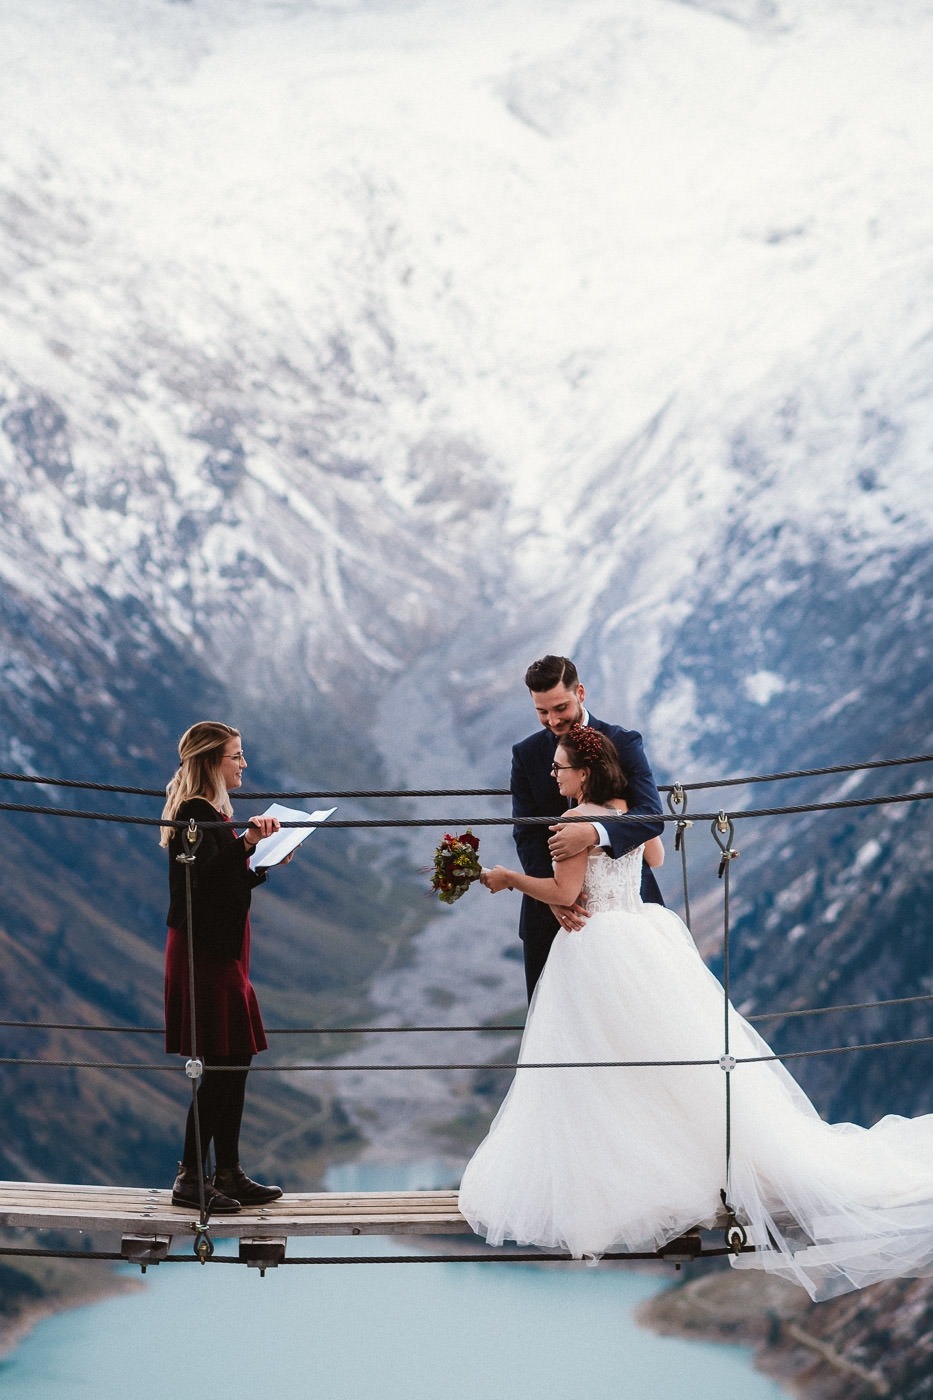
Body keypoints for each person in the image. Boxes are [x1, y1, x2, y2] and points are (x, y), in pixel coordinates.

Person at [459, 724, 933, 1301]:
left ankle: (635, 1177)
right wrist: (609, 830)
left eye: (560, 767)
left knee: (606, 1071)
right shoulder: (621, 809)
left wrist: (507, 879)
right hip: (643, 933)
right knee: (666, 1065)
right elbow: (653, 849)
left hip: (598, 948)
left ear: (581, 773)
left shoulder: (569, 826)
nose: (553, 775)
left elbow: (564, 895)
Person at [161, 721, 288, 1214]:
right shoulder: (195, 812)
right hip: (204, 952)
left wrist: (262, 857)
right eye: (237, 755)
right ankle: (191, 1178)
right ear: (214, 760)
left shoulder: (209, 812)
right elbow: (203, 885)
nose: (244, 764)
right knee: (220, 1061)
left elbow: (223, 882)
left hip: (218, 946)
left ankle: (228, 1172)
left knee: (234, 1057)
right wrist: (249, 845)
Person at [511, 655, 664, 999]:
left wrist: (595, 832)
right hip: (553, 915)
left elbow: (652, 815)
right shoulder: (526, 754)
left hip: (625, 911)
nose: (552, 720)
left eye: (560, 707)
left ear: (580, 692)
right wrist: (553, 895)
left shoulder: (623, 742)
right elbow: (526, 833)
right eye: (542, 712)